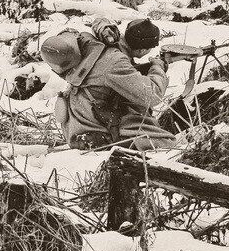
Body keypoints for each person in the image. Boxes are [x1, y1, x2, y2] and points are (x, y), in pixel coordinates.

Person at [43, 17, 174, 151]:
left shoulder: (91, 45)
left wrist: (103, 26)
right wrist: (157, 68)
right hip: (96, 134)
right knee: (167, 146)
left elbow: (110, 74)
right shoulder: (114, 61)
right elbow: (152, 95)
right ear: (143, 50)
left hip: (78, 126)